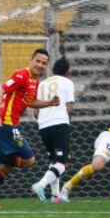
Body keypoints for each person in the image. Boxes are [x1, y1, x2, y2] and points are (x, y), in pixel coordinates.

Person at [0, 48, 60, 208]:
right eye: (38, 61)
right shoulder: (21, 75)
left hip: (12, 123)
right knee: (29, 159)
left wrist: (48, 103)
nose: (40, 65)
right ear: (31, 60)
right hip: (5, 122)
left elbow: (30, 101)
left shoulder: (35, 80)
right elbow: (0, 92)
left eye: (44, 63)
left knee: (9, 165)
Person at [31, 58, 74, 203]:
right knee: (63, 162)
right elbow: (69, 107)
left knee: (54, 160)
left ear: (53, 69)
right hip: (59, 123)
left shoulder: (42, 83)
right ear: (67, 72)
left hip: (43, 125)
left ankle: (55, 196)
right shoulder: (67, 83)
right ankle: (41, 185)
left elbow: (35, 111)